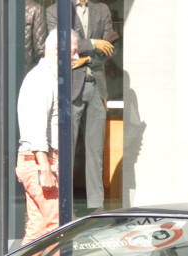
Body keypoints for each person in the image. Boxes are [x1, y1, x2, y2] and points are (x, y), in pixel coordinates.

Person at [47, 0, 117, 213]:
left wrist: (86, 58)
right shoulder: (56, 11)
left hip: (96, 86)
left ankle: (96, 206)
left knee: (95, 151)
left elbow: (110, 46)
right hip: (70, 88)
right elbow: (60, 43)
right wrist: (94, 43)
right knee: (65, 149)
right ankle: (63, 204)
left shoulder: (101, 9)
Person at [15, 31, 68, 244]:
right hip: (41, 162)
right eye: (72, 52)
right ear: (58, 49)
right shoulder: (43, 79)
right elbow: (37, 126)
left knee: (37, 230)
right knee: (57, 229)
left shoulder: (45, 77)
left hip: (34, 162)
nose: (75, 57)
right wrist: (45, 169)